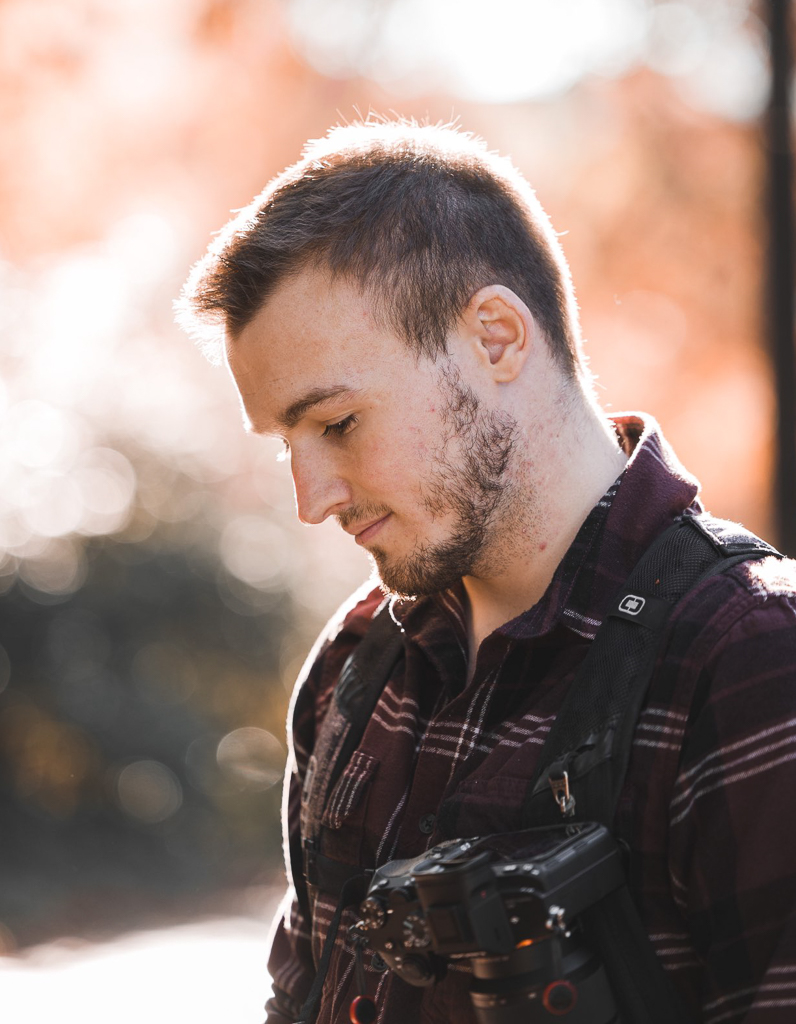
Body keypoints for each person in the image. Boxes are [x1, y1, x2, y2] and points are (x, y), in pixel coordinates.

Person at [177, 121, 796, 1024]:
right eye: (287, 446)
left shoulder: (750, 661)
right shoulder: (353, 663)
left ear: (499, 338)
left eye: (338, 424)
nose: (312, 500)